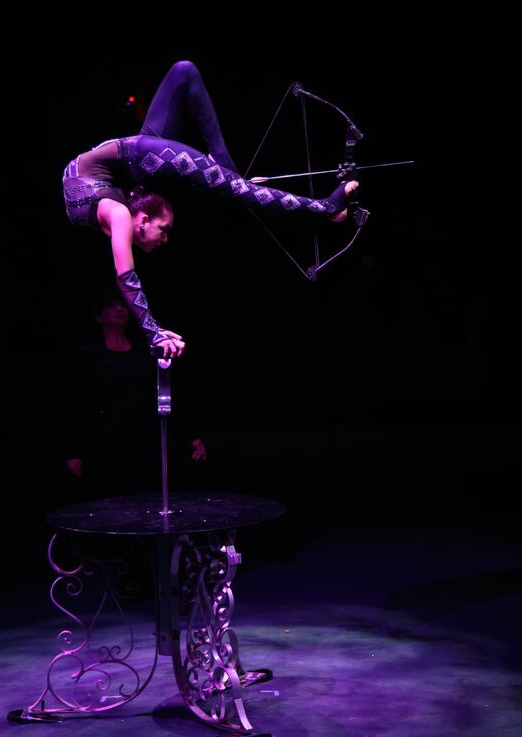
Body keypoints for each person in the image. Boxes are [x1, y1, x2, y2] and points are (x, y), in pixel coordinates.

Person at [63, 61, 358, 357]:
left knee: (237, 190)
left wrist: (153, 334)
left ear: (141, 221)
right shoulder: (117, 204)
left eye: (163, 230)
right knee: (183, 72)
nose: (165, 239)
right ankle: (230, 173)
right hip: (131, 160)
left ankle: (326, 207)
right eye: (165, 231)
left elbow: (126, 276)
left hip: (140, 156)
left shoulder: (119, 215)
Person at [64, 290, 206, 499]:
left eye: (122, 305)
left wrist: (189, 435)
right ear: (99, 317)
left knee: (147, 498)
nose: (120, 308)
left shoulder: (144, 352)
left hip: (144, 438)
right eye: (112, 306)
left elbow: (165, 391)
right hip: (106, 441)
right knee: (111, 498)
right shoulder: (89, 356)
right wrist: (74, 450)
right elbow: (78, 403)